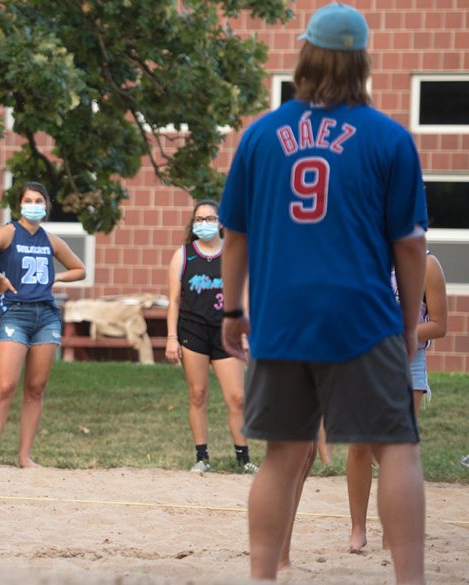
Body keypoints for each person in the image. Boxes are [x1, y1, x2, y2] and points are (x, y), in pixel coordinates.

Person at [219, 4, 428, 582]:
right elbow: (409, 247)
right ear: (362, 62)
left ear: (305, 53)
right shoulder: (390, 138)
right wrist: (407, 321)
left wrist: (235, 309)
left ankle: (263, 576)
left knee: (281, 457)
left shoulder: (260, 136)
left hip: (282, 318)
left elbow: (234, 235)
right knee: (396, 450)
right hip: (361, 316)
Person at [0, 182, 86, 468]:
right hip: (13, 314)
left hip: (45, 316)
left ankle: (24, 457)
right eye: (28, 200)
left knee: (36, 387)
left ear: (46, 206)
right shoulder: (8, 233)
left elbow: (80, 269)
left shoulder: (51, 240)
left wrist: (57, 278)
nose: (33, 205)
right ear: (19, 205)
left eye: (39, 200)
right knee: (5, 385)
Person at [347, 251, 447, 553]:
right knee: (360, 444)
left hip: (409, 362)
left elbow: (440, 325)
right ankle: (358, 529)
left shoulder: (427, 264)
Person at [165, 199, 254, 474]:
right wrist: (171, 337)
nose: (205, 224)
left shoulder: (234, 253)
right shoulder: (183, 255)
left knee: (237, 397)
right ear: (193, 224)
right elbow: (174, 300)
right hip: (193, 330)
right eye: (199, 219)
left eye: (210, 218)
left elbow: (245, 296)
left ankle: (244, 458)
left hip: (226, 332)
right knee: (198, 393)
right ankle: (201, 457)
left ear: (221, 222)